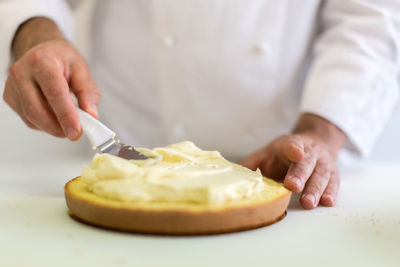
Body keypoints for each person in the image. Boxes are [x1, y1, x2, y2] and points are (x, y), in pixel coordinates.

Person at [1, 0, 399, 209]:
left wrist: (321, 133)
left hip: (286, 168)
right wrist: (36, 36)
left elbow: (370, 18)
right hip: (127, 155)